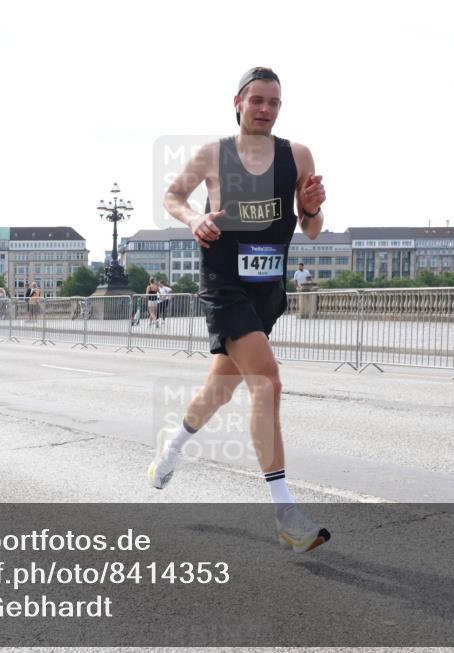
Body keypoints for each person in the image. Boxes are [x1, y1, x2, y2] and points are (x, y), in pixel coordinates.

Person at [150, 67, 330, 553]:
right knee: (267, 382)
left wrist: (311, 208)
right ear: (238, 102)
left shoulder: (298, 155)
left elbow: (311, 230)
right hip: (224, 285)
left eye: (274, 101)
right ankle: (286, 512)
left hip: (266, 292)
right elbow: (173, 196)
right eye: (257, 100)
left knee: (219, 391)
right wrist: (194, 218)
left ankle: (171, 448)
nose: (266, 109)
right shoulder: (213, 154)